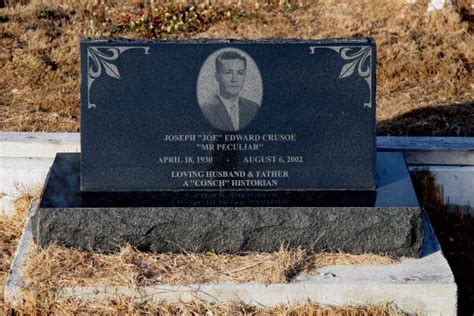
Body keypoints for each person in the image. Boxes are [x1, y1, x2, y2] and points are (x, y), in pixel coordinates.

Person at [201, 51, 260, 132]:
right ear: (217, 76)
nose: (234, 79)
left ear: (245, 76)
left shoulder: (253, 108)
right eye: (228, 73)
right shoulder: (205, 110)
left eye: (240, 73)